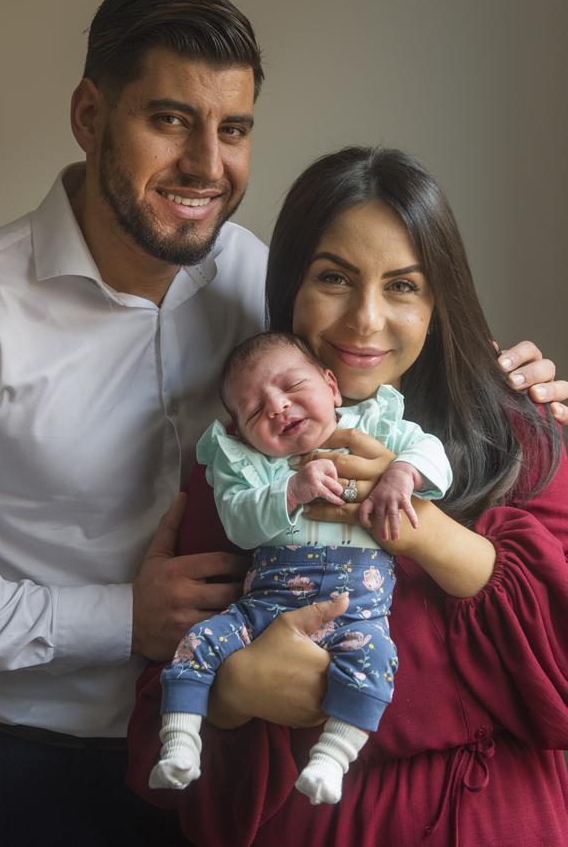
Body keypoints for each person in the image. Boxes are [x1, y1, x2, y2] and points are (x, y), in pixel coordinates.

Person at [0, 0, 563, 843]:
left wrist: (505, 379)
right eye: (170, 120)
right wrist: (127, 620)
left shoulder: (255, 280)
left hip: (229, 763)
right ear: (88, 114)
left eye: (234, 130)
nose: (206, 165)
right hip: (51, 756)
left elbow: (383, 330)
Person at [128, 146, 568, 847]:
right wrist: (236, 692)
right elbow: (163, 724)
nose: (365, 320)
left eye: (403, 286)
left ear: (438, 301)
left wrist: (422, 527)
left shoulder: (519, 436)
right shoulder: (244, 466)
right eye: (334, 277)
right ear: (292, 285)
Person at [150, 330, 452, 804]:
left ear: (332, 386)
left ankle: (332, 759)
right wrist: (290, 490)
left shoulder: (378, 425)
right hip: (263, 611)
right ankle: (180, 743)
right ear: (242, 432)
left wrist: (401, 473)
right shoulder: (248, 464)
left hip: (357, 611)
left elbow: (432, 452)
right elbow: (239, 523)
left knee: (377, 661)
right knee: (198, 642)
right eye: (254, 412)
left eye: (291, 387)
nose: (277, 407)